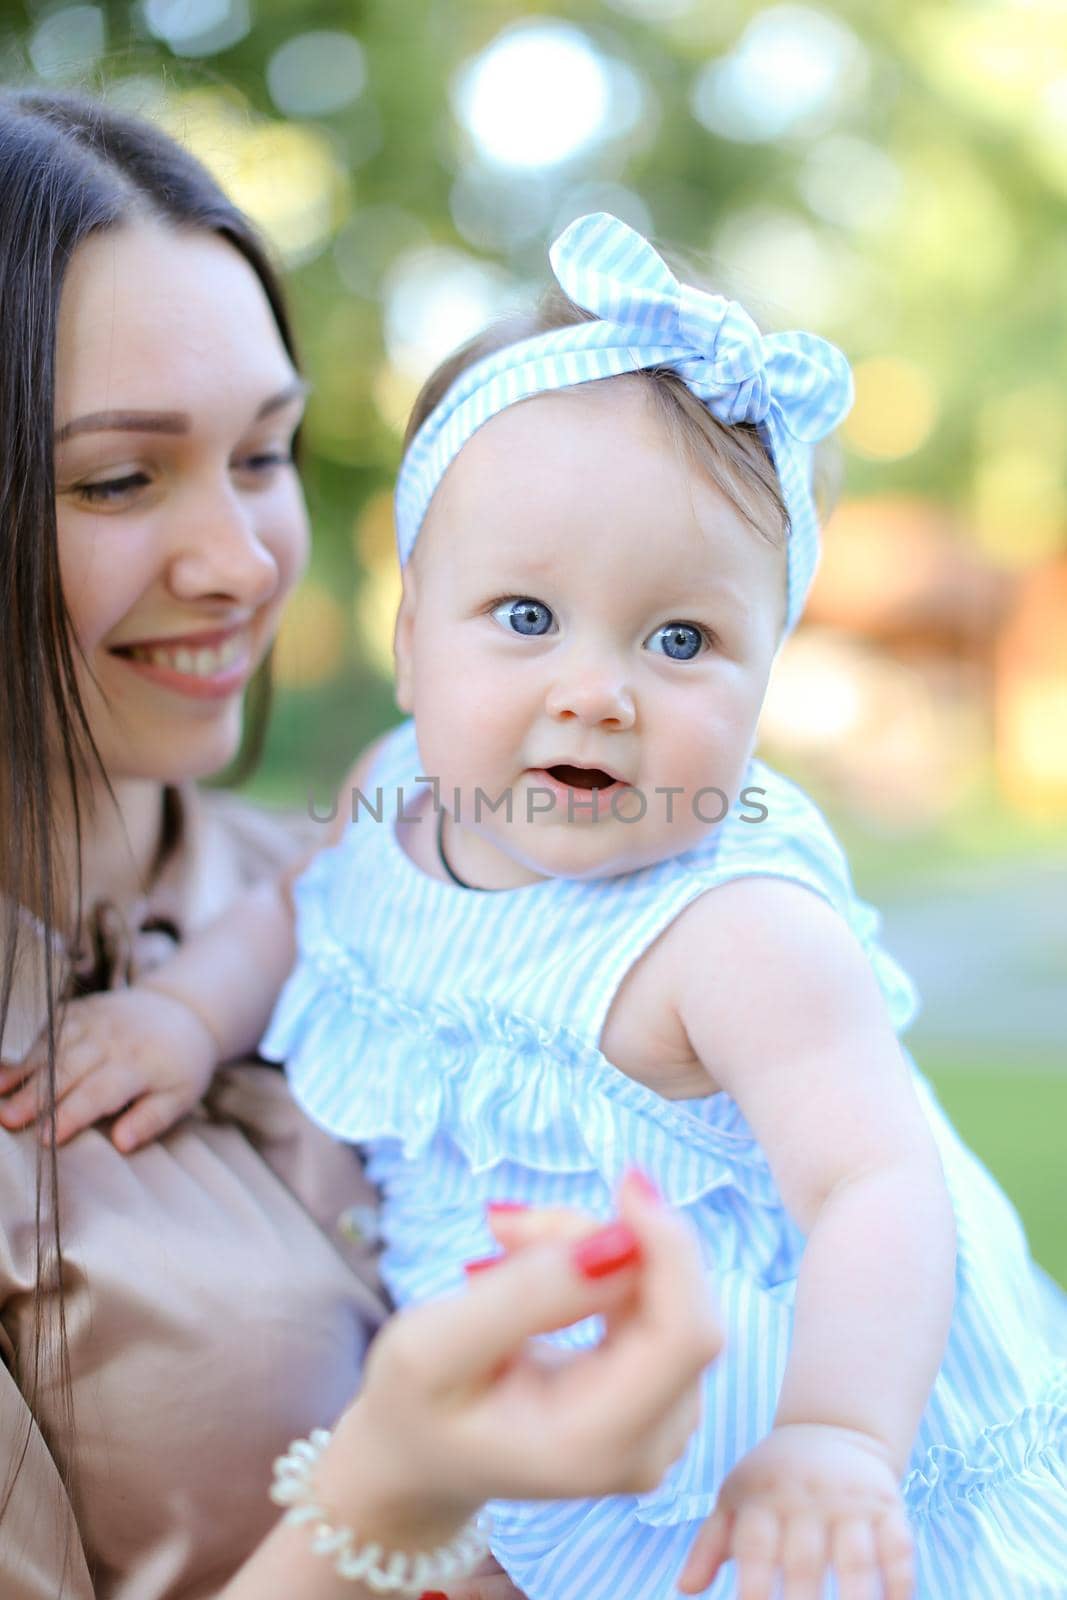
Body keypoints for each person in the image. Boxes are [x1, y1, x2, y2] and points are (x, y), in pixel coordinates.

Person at [9, 205, 1067, 1596]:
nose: (595, 689)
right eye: (523, 617)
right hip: (543, 1436)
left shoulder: (737, 926)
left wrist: (835, 1437)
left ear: (767, 680)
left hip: (759, 1460)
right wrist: (182, 1020)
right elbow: (297, 916)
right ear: (407, 644)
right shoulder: (397, 794)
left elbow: (877, 1182)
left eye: (681, 638)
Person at [0, 95, 725, 1600]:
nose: (243, 563)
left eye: (262, 457)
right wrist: (390, 1499)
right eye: (120, 478)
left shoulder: (421, 871)